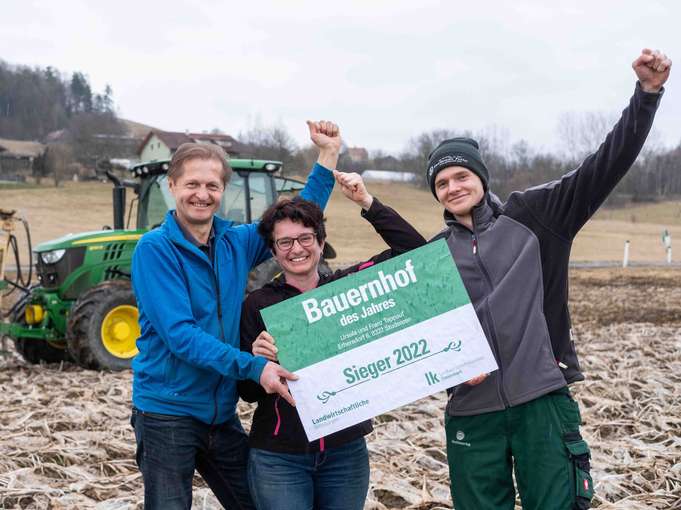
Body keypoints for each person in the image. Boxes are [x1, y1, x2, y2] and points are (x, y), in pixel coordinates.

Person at [425, 49, 671, 510]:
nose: (454, 186)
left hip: (540, 398)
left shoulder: (536, 216)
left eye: (462, 175)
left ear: (480, 177)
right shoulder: (434, 256)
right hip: (471, 411)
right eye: (442, 183)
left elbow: (604, 166)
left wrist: (647, 95)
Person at [130, 120, 341, 509]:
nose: (202, 194)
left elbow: (296, 220)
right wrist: (254, 366)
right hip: (166, 412)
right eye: (192, 184)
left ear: (222, 191)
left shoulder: (235, 242)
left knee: (255, 502)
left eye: (212, 185)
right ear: (172, 185)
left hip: (220, 414)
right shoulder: (154, 250)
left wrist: (327, 157)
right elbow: (180, 335)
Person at [237, 171, 426, 510]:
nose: (297, 249)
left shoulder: (349, 289)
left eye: (306, 238)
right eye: (285, 242)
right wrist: (255, 363)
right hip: (280, 458)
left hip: (345, 454)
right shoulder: (257, 304)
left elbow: (414, 251)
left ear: (321, 243)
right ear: (274, 251)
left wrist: (367, 202)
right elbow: (248, 394)